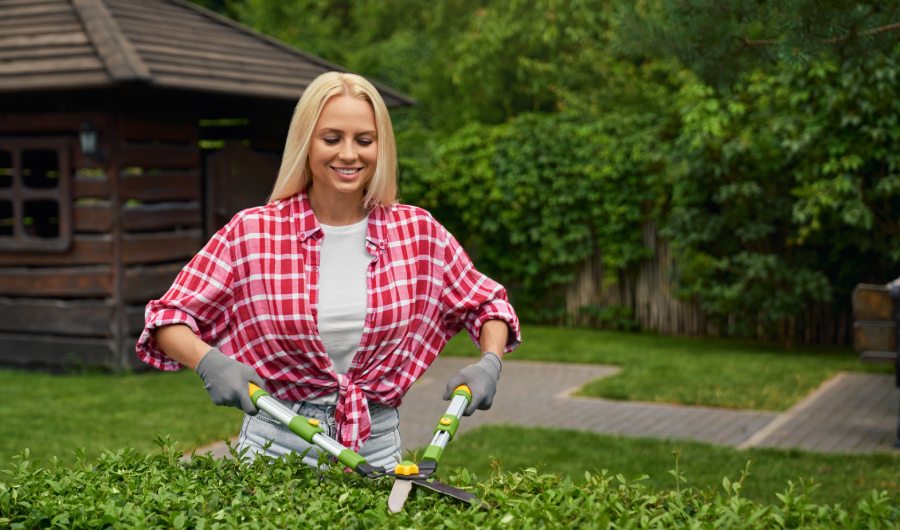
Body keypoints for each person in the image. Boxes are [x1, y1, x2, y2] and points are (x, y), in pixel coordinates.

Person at [136, 71, 520, 470]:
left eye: (364, 140)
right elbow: (168, 319)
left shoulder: (417, 232)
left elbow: (488, 304)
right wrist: (207, 361)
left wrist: (489, 361)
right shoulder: (253, 232)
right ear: (306, 142)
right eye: (332, 138)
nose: (349, 154)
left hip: (378, 445)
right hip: (276, 445)